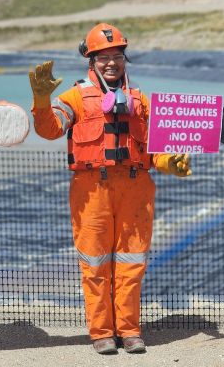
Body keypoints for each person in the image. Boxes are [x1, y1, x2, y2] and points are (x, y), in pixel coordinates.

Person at [29, 22, 192, 354]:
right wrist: (42, 100)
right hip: (91, 191)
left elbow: (156, 150)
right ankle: (102, 332)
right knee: (95, 264)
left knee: (132, 264)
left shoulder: (141, 102)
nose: (111, 63)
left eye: (117, 55)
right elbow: (49, 129)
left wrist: (169, 163)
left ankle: (130, 330)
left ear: (124, 59)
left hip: (136, 189)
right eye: (102, 57)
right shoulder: (74, 97)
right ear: (91, 61)